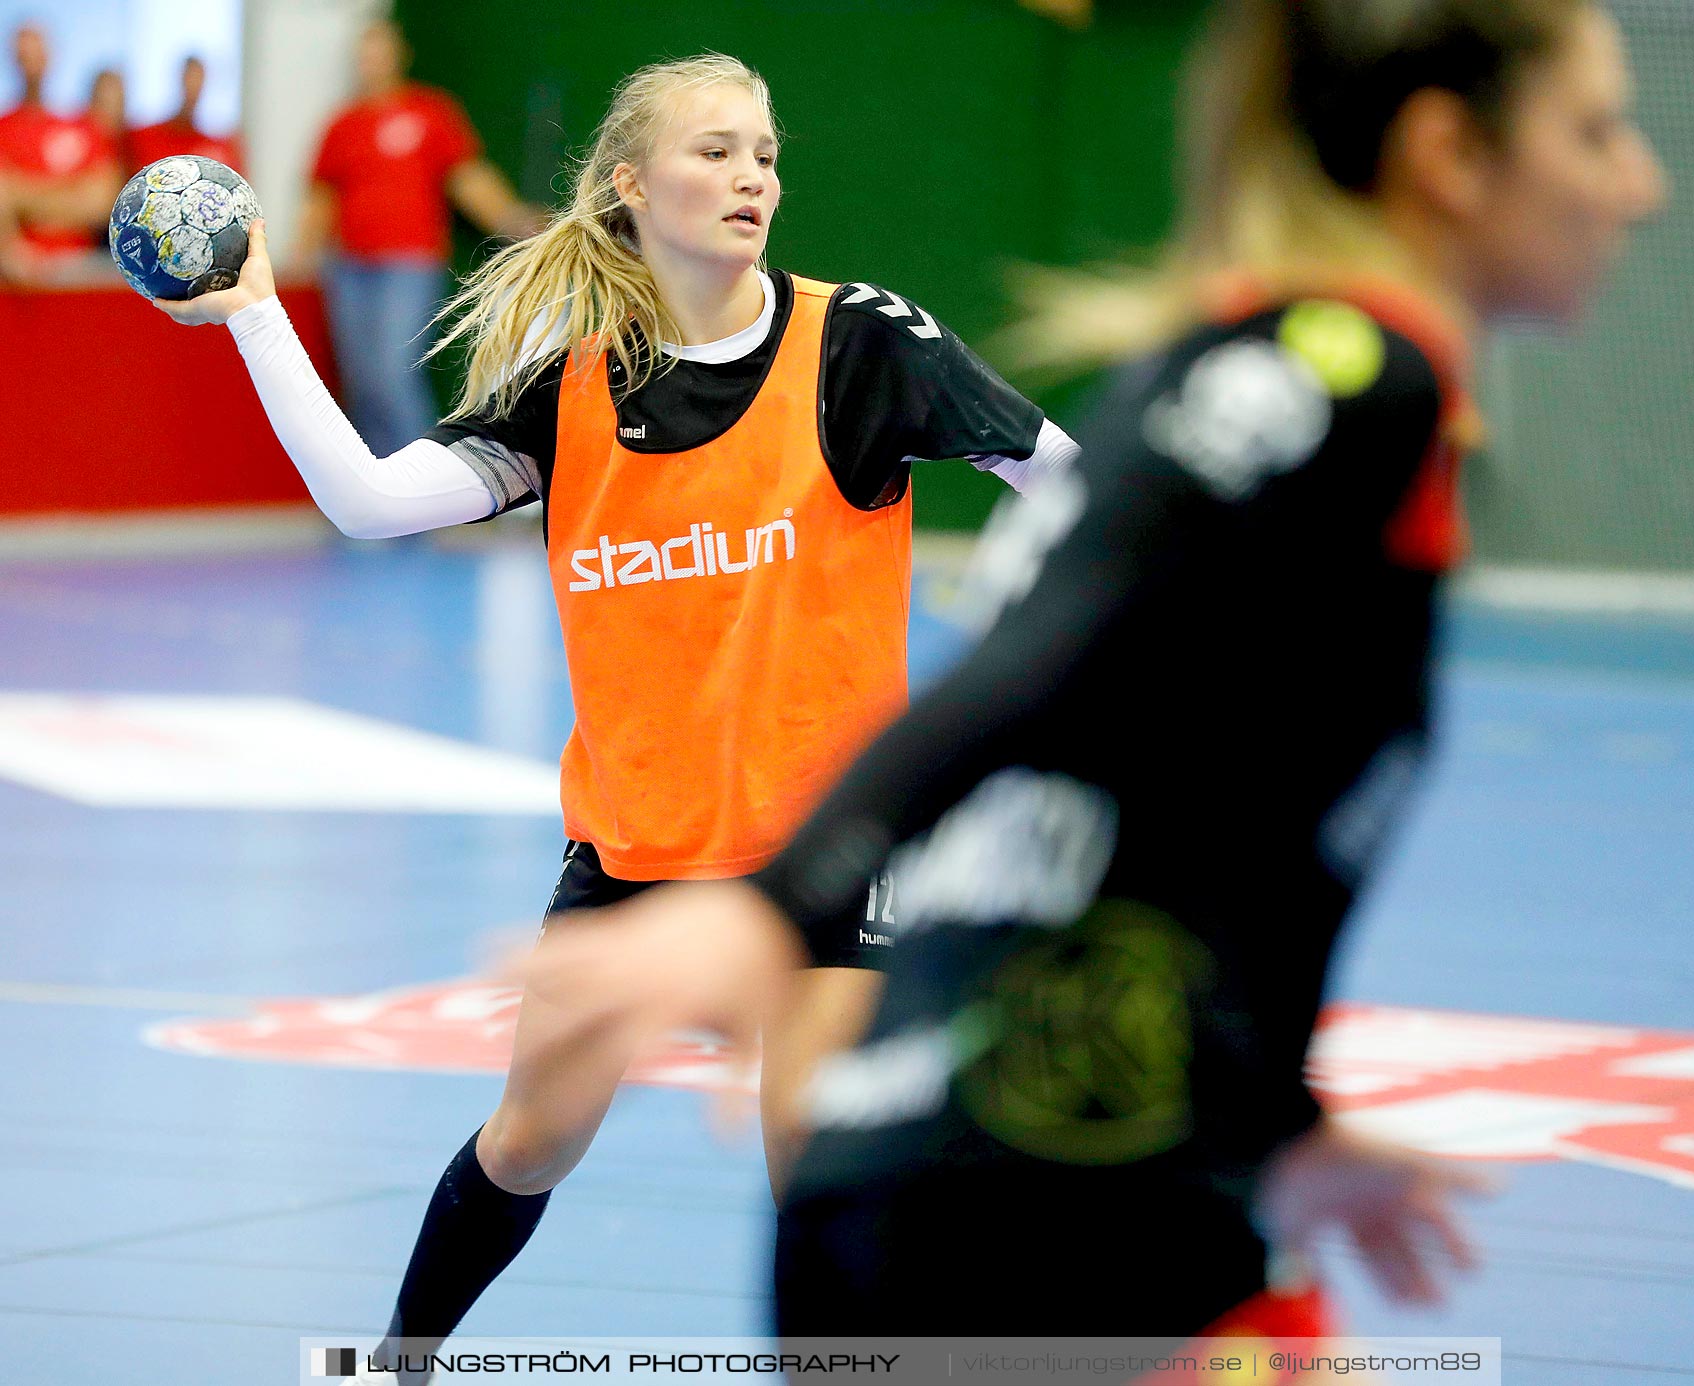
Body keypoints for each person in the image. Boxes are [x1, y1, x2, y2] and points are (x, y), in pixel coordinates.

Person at [511, 0, 1667, 1341]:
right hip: (1024, 1192)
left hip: (1085, 1153)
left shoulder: (1283, 380)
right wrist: (769, 906)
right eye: (1594, 131)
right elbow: (1033, 662)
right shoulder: (1337, 382)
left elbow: (1188, 821)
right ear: (1447, 155)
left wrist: (1278, 1117)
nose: (1640, 184)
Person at [151, 51, 1079, 1383]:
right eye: (717, 150)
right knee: (528, 1140)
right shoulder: (573, 384)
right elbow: (364, 501)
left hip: (830, 850)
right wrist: (252, 311)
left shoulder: (863, 342)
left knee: (809, 1160)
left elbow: (1073, 485)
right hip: (639, 846)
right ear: (634, 185)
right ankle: (400, 1364)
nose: (754, 174)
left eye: (765, 152)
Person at [294, 19, 542, 456]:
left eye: (380, 51)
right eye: (364, 53)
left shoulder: (430, 112)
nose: (372, 62)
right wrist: (302, 257)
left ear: (398, 55)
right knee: (362, 382)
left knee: (392, 374)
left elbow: (467, 178)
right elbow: (321, 199)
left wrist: (512, 218)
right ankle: (372, 496)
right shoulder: (341, 124)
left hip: (409, 266)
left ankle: (421, 489)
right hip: (349, 270)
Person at [0, 24, 120, 281]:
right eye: (24, 57)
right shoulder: (4, 127)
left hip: (83, 271)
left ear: (50, 56)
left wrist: (22, 197)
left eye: (37, 55)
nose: (31, 66)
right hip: (20, 274)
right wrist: (67, 191)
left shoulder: (81, 126)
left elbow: (101, 201)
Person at [128, 55, 244, 171]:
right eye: (189, 79)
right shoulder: (142, 138)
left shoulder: (219, 149)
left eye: (198, 80)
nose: (192, 88)